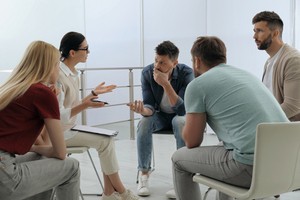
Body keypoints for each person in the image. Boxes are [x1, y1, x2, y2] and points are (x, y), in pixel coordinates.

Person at [171, 36, 289, 200]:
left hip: (252, 169)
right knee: (226, 147)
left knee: (178, 159)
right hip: (288, 166)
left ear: (197, 61)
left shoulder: (197, 85)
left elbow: (192, 142)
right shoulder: (246, 75)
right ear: (223, 57)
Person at [43, 31, 139, 200]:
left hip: (69, 127)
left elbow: (71, 105)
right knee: (105, 141)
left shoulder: (73, 74)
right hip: (58, 134)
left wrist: (92, 94)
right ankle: (121, 191)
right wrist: (85, 104)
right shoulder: (57, 76)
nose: (88, 52)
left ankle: (109, 193)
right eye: (86, 49)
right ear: (72, 53)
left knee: (105, 140)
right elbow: (56, 116)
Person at [0, 41, 80, 200]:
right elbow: (61, 152)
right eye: (57, 64)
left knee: (43, 158)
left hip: (4, 164)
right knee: (72, 166)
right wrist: (52, 102)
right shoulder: (42, 93)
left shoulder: (12, 88)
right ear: (49, 66)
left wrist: (50, 105)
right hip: (5, 175)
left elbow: (45, 144)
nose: (58, 69)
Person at [127, 40, 194, 197]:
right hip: (159, 117)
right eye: (156, 60)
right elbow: (150, 105)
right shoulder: (147, 73)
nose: (157, 66)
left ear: (174, 63)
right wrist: (143, 110)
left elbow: (182, 109)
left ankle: (182, 178)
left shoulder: (186, 73)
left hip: (179, 116)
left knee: (179, 121)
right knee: (144, 122)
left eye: (162, 62)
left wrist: (165, 84)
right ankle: (144, 173)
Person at [252, 11, 300, 121]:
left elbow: (293, 106)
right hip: (276, 127)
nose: (254, 36)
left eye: (259, 31)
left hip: (289, 131)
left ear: (275, 33)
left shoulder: (293, 60)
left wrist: (259, 120)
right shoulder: (269, 61)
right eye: (254, 31)